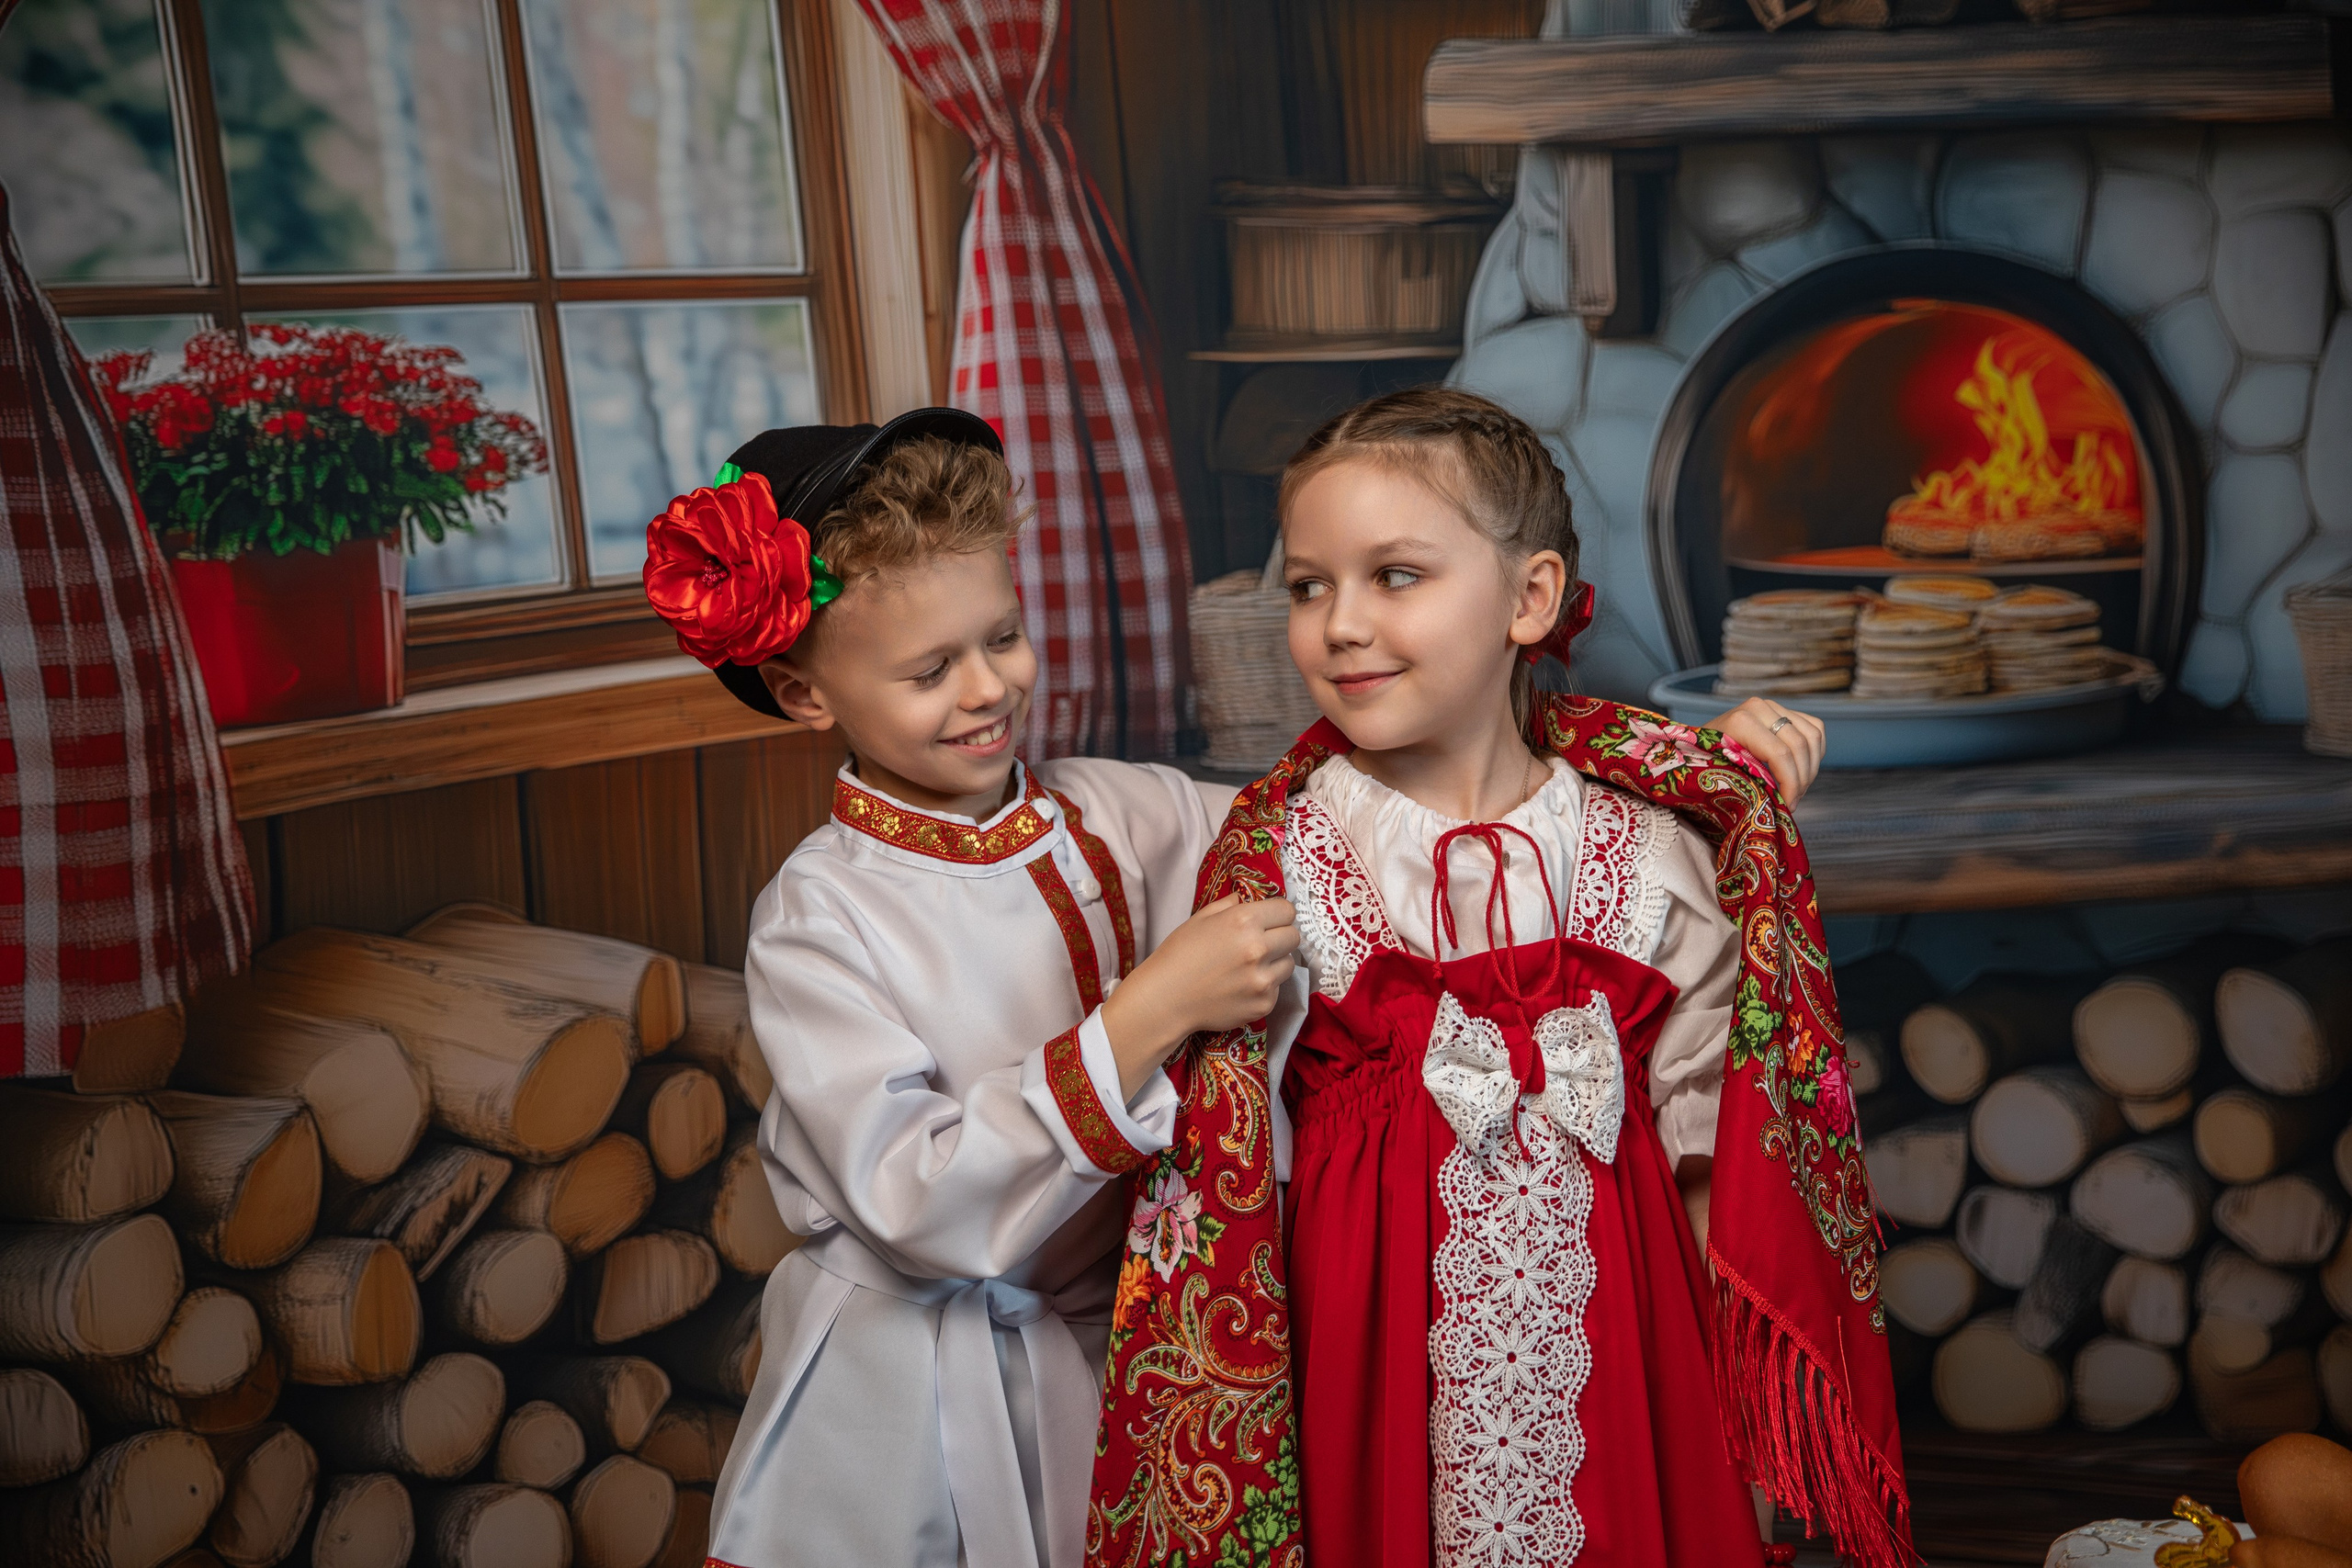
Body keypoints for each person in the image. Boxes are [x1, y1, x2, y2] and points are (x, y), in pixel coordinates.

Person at [640, 408, 1827, 1568]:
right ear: (806, 693)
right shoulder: (818, 916)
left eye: (1001, 637)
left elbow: (1396, 809)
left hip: (1105, 1343)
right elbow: (920, 1203)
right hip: (907, 1389)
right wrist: (1155, 1005)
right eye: (927, 667)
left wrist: (1681, 770)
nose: (985, 688)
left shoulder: (1120, 808)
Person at [1086, 389, 1903, 1568]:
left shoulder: (1649, 850)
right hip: (1374, 1374)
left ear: (1528, 599)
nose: (1340, 625)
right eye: (1310, 586)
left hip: (1626, 1360)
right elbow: (1231, 1188)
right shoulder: (1283, 865)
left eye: (1395, 575)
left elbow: (1711, 1138)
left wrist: (1730, 1428)